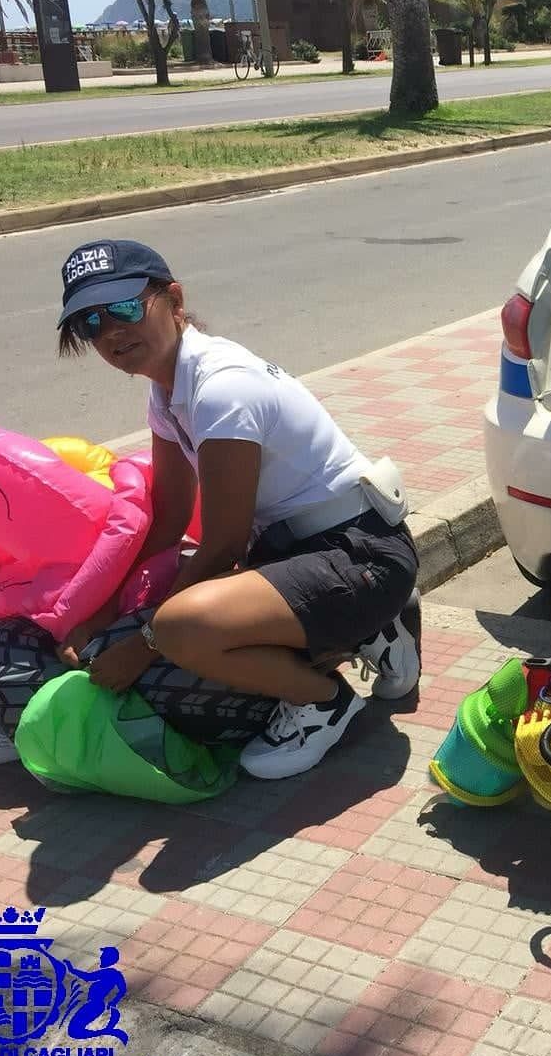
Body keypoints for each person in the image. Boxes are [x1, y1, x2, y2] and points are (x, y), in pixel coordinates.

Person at [52, 239, 420, 779]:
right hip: (297, 552)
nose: (110, 332)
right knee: (179, 601)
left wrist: (143, 643)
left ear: (175, 300)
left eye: (126, 308)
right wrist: (102, 614)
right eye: (90, 322)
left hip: (360, 554)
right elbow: (169, 520)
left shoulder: (222, 388)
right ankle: (370, 631)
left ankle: (324, 702)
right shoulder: (167, 391)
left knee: (182, 628)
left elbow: (222, 544)